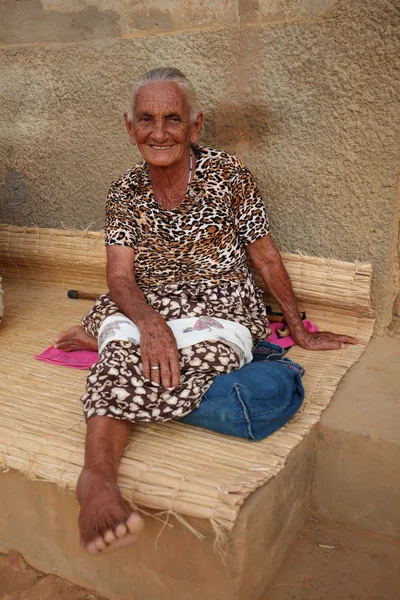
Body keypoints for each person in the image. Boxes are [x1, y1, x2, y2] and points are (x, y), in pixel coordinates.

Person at [54, 67, 358, 556]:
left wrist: (299, 328)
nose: (159, 132)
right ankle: (96, 480)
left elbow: (264, 255)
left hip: (219, 300)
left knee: (202, 357)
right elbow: (119, 278)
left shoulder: (230, 176)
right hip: (147, 300)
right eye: (146, 119)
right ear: (129, 128)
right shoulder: (122, 192)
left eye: (172, 119)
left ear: (195, 127)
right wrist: (150, 325)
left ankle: (112, 345)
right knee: (130, 354)